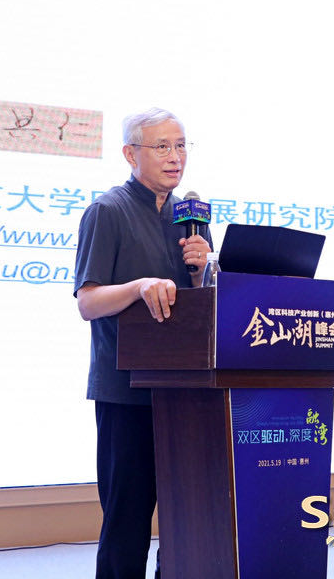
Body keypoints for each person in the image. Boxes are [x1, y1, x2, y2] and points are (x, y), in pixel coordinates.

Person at [74, 107, 211, 579]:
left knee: (185, 517)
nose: (176, 157)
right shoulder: (108, 211)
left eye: (181, 145)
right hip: (126, 390)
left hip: (186, 393)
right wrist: (137, 287)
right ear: (131, 154)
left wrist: (202, 270)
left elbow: (200, 305)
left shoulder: (191, 218)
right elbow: (88, 302)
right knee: (127, 518)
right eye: (162, 147)